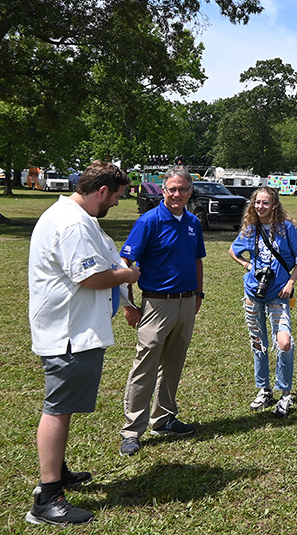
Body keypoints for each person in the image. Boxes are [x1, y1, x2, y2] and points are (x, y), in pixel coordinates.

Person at [26, 161, 139, 525]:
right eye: (117, 197)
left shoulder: (73, 216)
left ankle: (57, 472)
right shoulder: (73, 223)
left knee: (65, 404)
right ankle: (47, 497)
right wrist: (129, 274)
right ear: (102, 191)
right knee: (58, 406)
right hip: (69, 333)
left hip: (72, 328)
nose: (117, 204)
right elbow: (91, 277)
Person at [118, 165, 205, 457]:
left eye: (183, 189)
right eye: (172, 189)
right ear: (163, 190)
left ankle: (164, 418)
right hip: (156, 303)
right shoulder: (148, 221)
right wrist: (130, 305)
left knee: (173, 364)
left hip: (186, 302)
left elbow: (197, 261)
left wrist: (198, 294)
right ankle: (132, 430)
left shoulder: (193, 222)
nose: (177, 194)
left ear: (190, 192)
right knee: (145, 365)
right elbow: (126, 264)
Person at [229, 186, 297, 417]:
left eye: (265, 203)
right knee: (258, 341)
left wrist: (291, 282)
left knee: (284, 342)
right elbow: (233, 251)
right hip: (253, 293)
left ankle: (285, 393)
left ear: (274, 205)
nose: (260, 206)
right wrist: (246, 265)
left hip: (279, 295)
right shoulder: (250, 228)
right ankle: (264, 389)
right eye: (257, 202)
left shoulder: (286, 229)